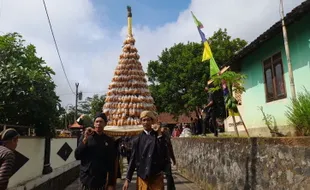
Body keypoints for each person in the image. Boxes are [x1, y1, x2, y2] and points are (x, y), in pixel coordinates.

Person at [122, 111, 169, 190]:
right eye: (144, 120)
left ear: (152, 121)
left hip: (156, 176)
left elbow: (163, 153)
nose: (146, 122)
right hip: (142, 177)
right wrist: (127, 179)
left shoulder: (159, 136)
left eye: (148, 120)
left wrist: (159, 133)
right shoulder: (137, 139)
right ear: (141, 122)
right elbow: (133, 159)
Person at [74, 113, 117, 190]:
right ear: (94, 123)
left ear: (105, 124)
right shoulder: (86, 137)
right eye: (96, 121)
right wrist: (84, 140)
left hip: (100, 180)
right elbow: (77, 156)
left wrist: (111, 183)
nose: (98, 124)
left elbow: (111, 163)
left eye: (101, 122)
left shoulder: (109, 140)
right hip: (86, 179)